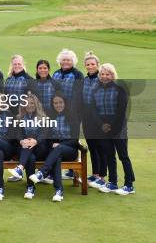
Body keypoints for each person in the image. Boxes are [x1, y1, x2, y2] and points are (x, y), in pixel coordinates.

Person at [90, 64, 135, 195]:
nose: (105, 76)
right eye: (102, 74)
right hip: (103, 129)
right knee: (109, 156)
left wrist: (112, 126)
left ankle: (129, 185)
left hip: (118, 128)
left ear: (113, 75)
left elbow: (121, 111)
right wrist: (101, 125)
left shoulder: (120, 88)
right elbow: (94, 110)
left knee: (123, 156)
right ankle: (113, 183)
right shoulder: (96, 89)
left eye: (108, 74)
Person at [29, 93, 80, 202]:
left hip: (70, 150)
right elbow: (47, 136)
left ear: (65, 103)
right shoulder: (50, 117)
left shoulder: (72, 116)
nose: (58, 105)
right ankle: (59, 191)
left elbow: (75, 140)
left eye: (60, 102)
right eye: (55, 103)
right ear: (52, 105)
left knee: (59, 149)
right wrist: (53, 144)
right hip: (55, 151)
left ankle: (42, 172)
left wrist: (62, 145)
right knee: (57, 157)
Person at [8, 93, 49, 199]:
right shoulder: (19, 118)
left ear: (36, 105)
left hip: (40, 149)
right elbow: (17, 134)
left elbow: (44, 134)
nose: (29, 105)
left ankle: (20, 168)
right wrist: (21, 141)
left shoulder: (43, 118)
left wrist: (36, 141)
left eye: (32, 103)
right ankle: (30, 187)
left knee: (30, 147)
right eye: (27, 103)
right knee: (30, 157)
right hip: (25, 150)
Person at [52, 48, 83, 180]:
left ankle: (72, 169)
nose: (65, 62)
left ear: (73, 61)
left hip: (73, 113)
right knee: (58, 136)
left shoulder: (78, 75)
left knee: (70, 139)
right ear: (60, 61)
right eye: (63, 60)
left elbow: (78, 95)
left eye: (68, 60)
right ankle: (58, 168)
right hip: (57, 111)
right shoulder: (56, 74)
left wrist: (71, 111)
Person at [81, 51, 107, 188]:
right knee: (92, 146)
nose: (90, 66)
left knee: (101, 147)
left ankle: (102, 176)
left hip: (99, 119)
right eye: (88, 64)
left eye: (92, 64)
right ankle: (95, 173)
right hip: (87, 119)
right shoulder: (85, 80)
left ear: (97, 65)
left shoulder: (102, 79)